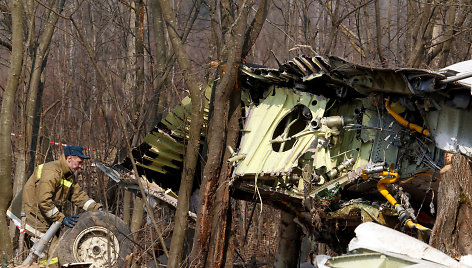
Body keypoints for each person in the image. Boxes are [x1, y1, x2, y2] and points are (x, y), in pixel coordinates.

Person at [7, 145, 102, 265]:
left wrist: (98, 209)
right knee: (52, 251)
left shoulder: (68, 175)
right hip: (30, 215)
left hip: (41, 215)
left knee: (46, 252)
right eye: (79, 162)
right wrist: (61, 219)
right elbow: (44, 201)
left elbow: (78, 196)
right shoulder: (52, 172)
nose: (80, 166)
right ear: (69, 159)